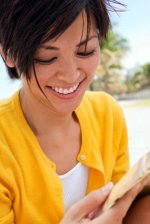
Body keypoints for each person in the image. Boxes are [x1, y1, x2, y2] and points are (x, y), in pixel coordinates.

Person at [0, 1, 149, 223]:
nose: (70, 76)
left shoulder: (108, 114)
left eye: (85, 51)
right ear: (9, 53)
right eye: (47, 57)